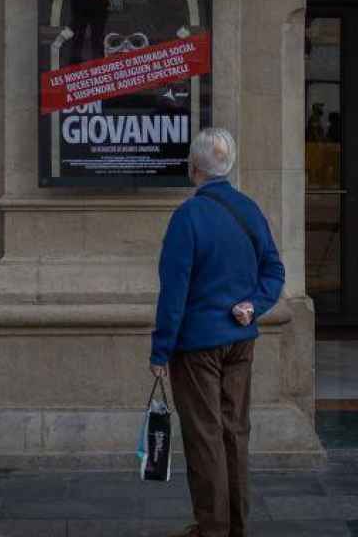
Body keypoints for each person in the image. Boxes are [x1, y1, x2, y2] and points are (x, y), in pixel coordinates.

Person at [150, 128, 286, 537]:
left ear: (194, 169)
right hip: (240, 341)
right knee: (234, 433)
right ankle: (236, 526)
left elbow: (174, 291)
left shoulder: (187, 217)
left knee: (205, 436)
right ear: (229, 166)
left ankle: (212, 529)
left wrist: (160, 351)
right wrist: (255, 305)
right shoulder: (250, 210)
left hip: (196, 347)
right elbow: (275, 270)